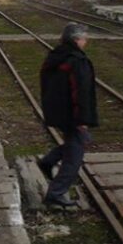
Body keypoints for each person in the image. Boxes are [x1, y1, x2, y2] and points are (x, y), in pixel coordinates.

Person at [38, 22, 98, 208]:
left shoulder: (56, 55)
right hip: (73, 114)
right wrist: (82, 119)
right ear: (77, 39)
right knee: (75, 156)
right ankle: (55, 193)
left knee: (77, 142)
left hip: (58, 111)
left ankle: (48, 161)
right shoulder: (77, 61)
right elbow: (81, 92)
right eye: (85, 39)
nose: (86, 42)